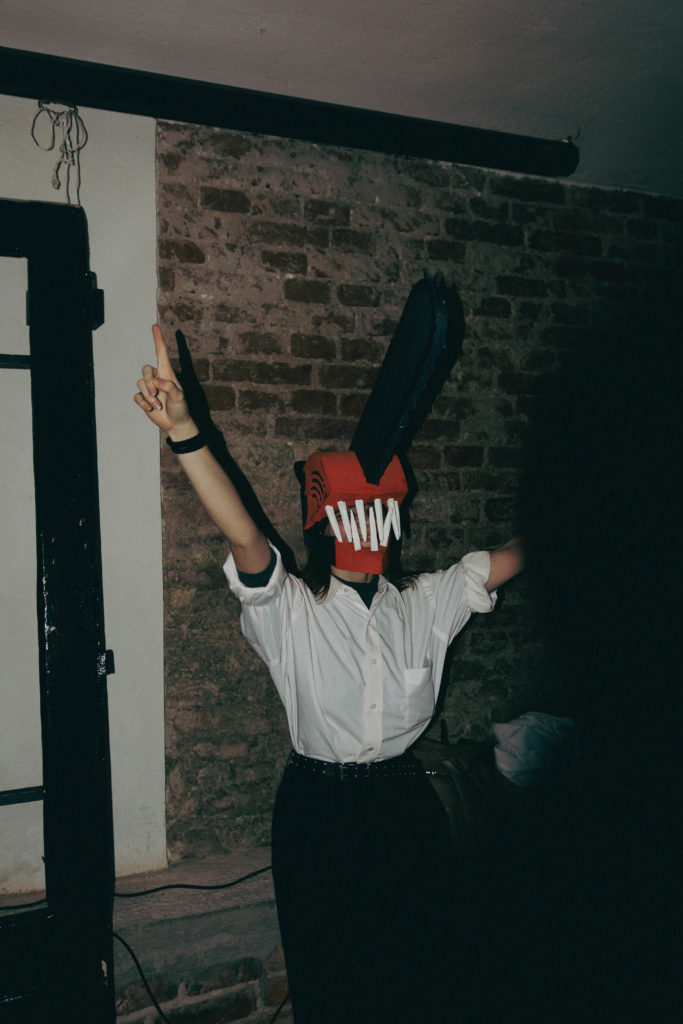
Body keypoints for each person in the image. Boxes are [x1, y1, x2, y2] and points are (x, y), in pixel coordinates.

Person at [135, 324, 523, 1023]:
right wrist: (185, 432)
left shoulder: (427, 601)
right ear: (327, 520)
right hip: (321, 811)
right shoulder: (291, 611)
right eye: (356, 509)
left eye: (382, 508)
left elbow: (513, 556)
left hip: (404, 801)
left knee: (424, 975)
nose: (371, 521)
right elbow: (245, 535)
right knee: (335, 984)